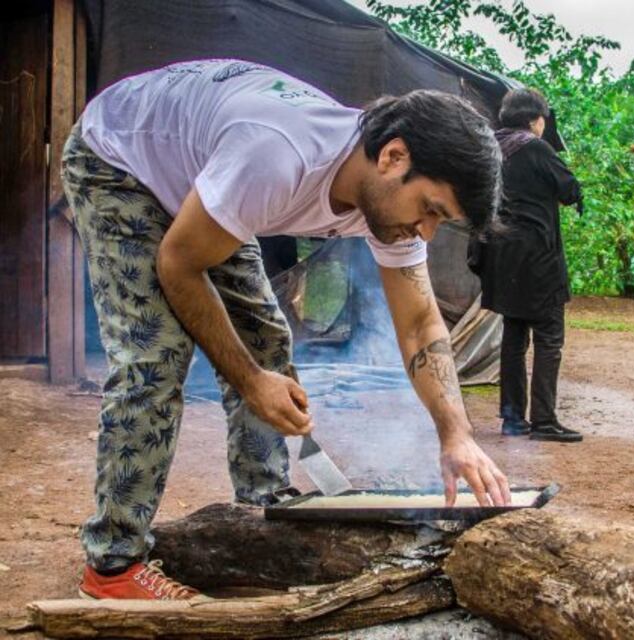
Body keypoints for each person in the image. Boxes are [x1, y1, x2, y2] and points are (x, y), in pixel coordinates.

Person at [61, 59, 510, 601]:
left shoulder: (386, 198)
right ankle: (113, 565)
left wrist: (456, 434)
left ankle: (263, 508)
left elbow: (419, 324)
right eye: (431, 209)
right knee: (155, 358)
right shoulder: (277, 157)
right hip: (118, 157)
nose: (427, 230)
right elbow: (178, 265)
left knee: (267, 342)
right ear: (394, 156)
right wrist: (251, 383)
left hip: (203, 175)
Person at [474, 89, 584, 442]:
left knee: (514, 337)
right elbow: (569, 189)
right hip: (537, 257)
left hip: (500, 257)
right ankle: (544, 421)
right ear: (536, 120)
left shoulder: (489, 147)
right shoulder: (535, 147)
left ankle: (512, 419)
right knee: (549, 338)